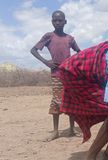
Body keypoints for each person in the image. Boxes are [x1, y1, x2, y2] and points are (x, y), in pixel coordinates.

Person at [30, 10, 81, 141]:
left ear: (65, 22)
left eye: (60, 20)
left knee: (71, 100)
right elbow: (33, 50)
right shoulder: (49, 36)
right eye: (55, 20)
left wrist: (73, 63)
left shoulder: (70, 38)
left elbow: (80, 53)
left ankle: (71, 129)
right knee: (57, 101)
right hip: (56, 74)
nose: (57, 23)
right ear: (52, 22)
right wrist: (46, 62)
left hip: (69, 75)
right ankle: (55, 131)